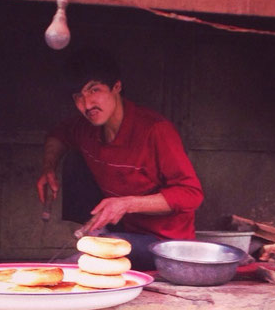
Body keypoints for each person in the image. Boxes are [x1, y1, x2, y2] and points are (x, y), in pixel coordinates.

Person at [36, 48, 203, 270]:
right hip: (123, 233)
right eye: (78, 96)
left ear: (116, 87)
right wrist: (49, 168)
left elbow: (192, 195)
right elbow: (58, 135)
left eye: (94, 90)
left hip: (166, 244)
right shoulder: (85, 127)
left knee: (81, 265)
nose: (87, 105)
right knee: (90, 252)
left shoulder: (155, 130)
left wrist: (126, 204)